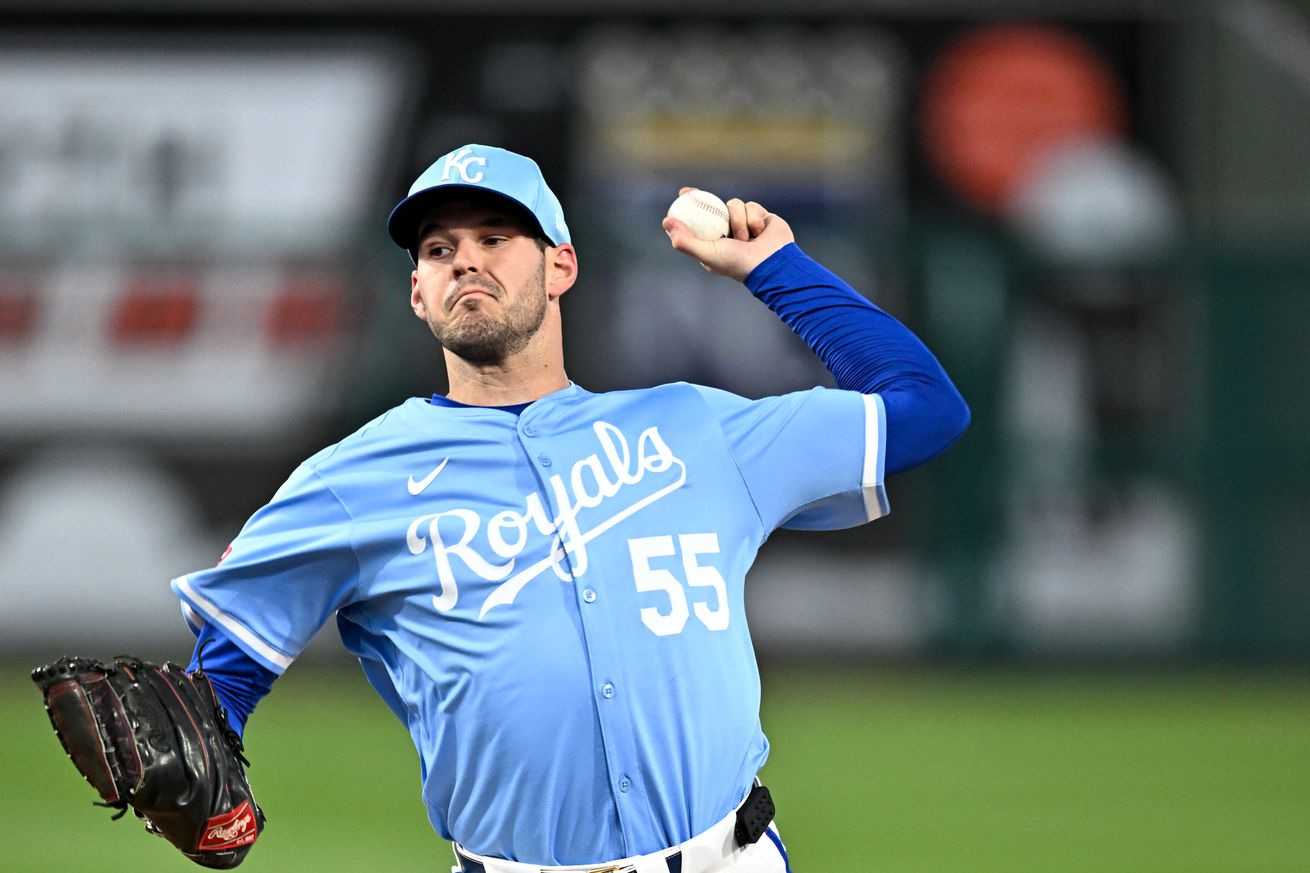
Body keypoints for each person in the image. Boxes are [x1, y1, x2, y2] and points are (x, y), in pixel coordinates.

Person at [171, 144, 969, 873]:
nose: (465, 263)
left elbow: (928, 406)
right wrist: (202, 750)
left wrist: (776, 268)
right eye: (439, 250)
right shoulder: (351, 481)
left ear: (561, 266)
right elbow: (226, 673)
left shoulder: (696, 428)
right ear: (417, 292)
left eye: (494, 239)